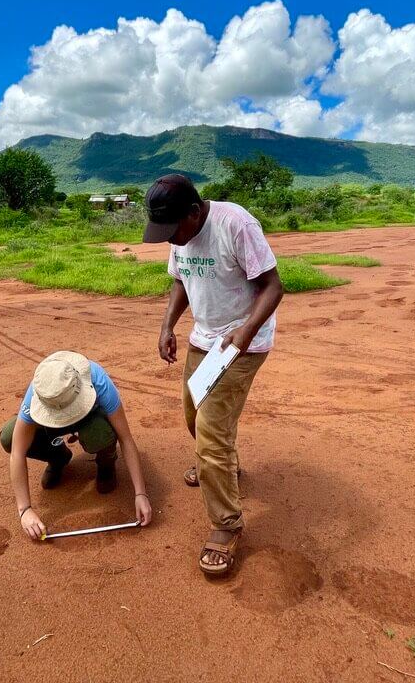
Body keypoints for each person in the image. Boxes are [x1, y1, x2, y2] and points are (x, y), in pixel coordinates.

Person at [143, 174, 283, 576]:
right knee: (193, 415)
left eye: (175, 230)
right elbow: (181, 280)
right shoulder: (179, 235)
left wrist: (245, 332)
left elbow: (273, 287)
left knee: (211, 432)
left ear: (194, 211)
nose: (172, 239)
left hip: (242, 343)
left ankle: (226, 526)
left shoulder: (236, 225)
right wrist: (167, 325)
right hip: (204, 340)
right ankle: (224, 465)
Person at [0, 351, 153, 540]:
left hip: (90, 419)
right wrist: (24, 510)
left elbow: (126, 439)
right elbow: (17, 452)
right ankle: (58, 458)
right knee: (8, 435)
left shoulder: (99, 381)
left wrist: (141, 494)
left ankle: (106, 462)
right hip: (50, 422)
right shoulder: (38, 392)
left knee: (99, 433)